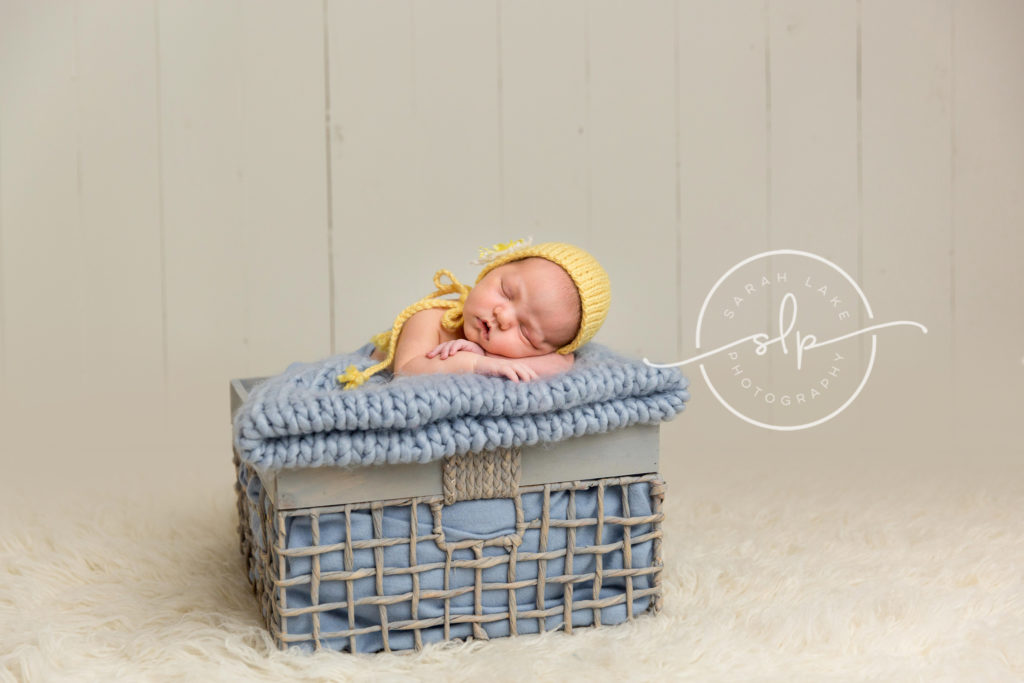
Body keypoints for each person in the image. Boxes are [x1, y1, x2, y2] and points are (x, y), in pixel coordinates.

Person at [337, 240, 611, 388]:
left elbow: (560, 363)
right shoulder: (431, 318)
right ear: (493, 269)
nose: (504, 317)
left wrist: (491, 358)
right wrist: (477, 363)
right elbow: (407, 370)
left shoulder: (517, 353)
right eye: (506, 292)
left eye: (526, 332)